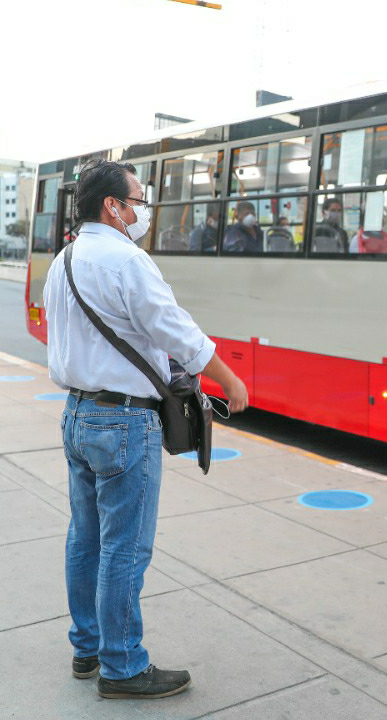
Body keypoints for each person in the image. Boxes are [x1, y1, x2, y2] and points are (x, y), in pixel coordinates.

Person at [43, 160, 249, 700]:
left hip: (77, 415)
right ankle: (123, 665)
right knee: (125, 549)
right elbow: (176, 332)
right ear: (113, 206)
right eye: (138, 200)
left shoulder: (63, 260)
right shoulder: (127, 260)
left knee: (84, 539)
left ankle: (87, 648)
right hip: (123, 421)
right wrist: (230, 380)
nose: (143, 212)